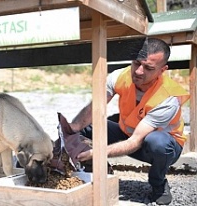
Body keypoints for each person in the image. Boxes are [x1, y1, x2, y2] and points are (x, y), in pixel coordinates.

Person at [69, 37, 190, 205]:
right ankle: (95, 171)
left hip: (159, 147)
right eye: (136, 63)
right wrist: (72, 129)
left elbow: (136, 141)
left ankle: (158, 183)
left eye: (148, 68)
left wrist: (98, 151)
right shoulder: (120, 76)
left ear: (162, 70)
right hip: (128, 134)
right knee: (86, 126)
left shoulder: (168, 98)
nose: (139, 71)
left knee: (157, 142)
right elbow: (94, 108)